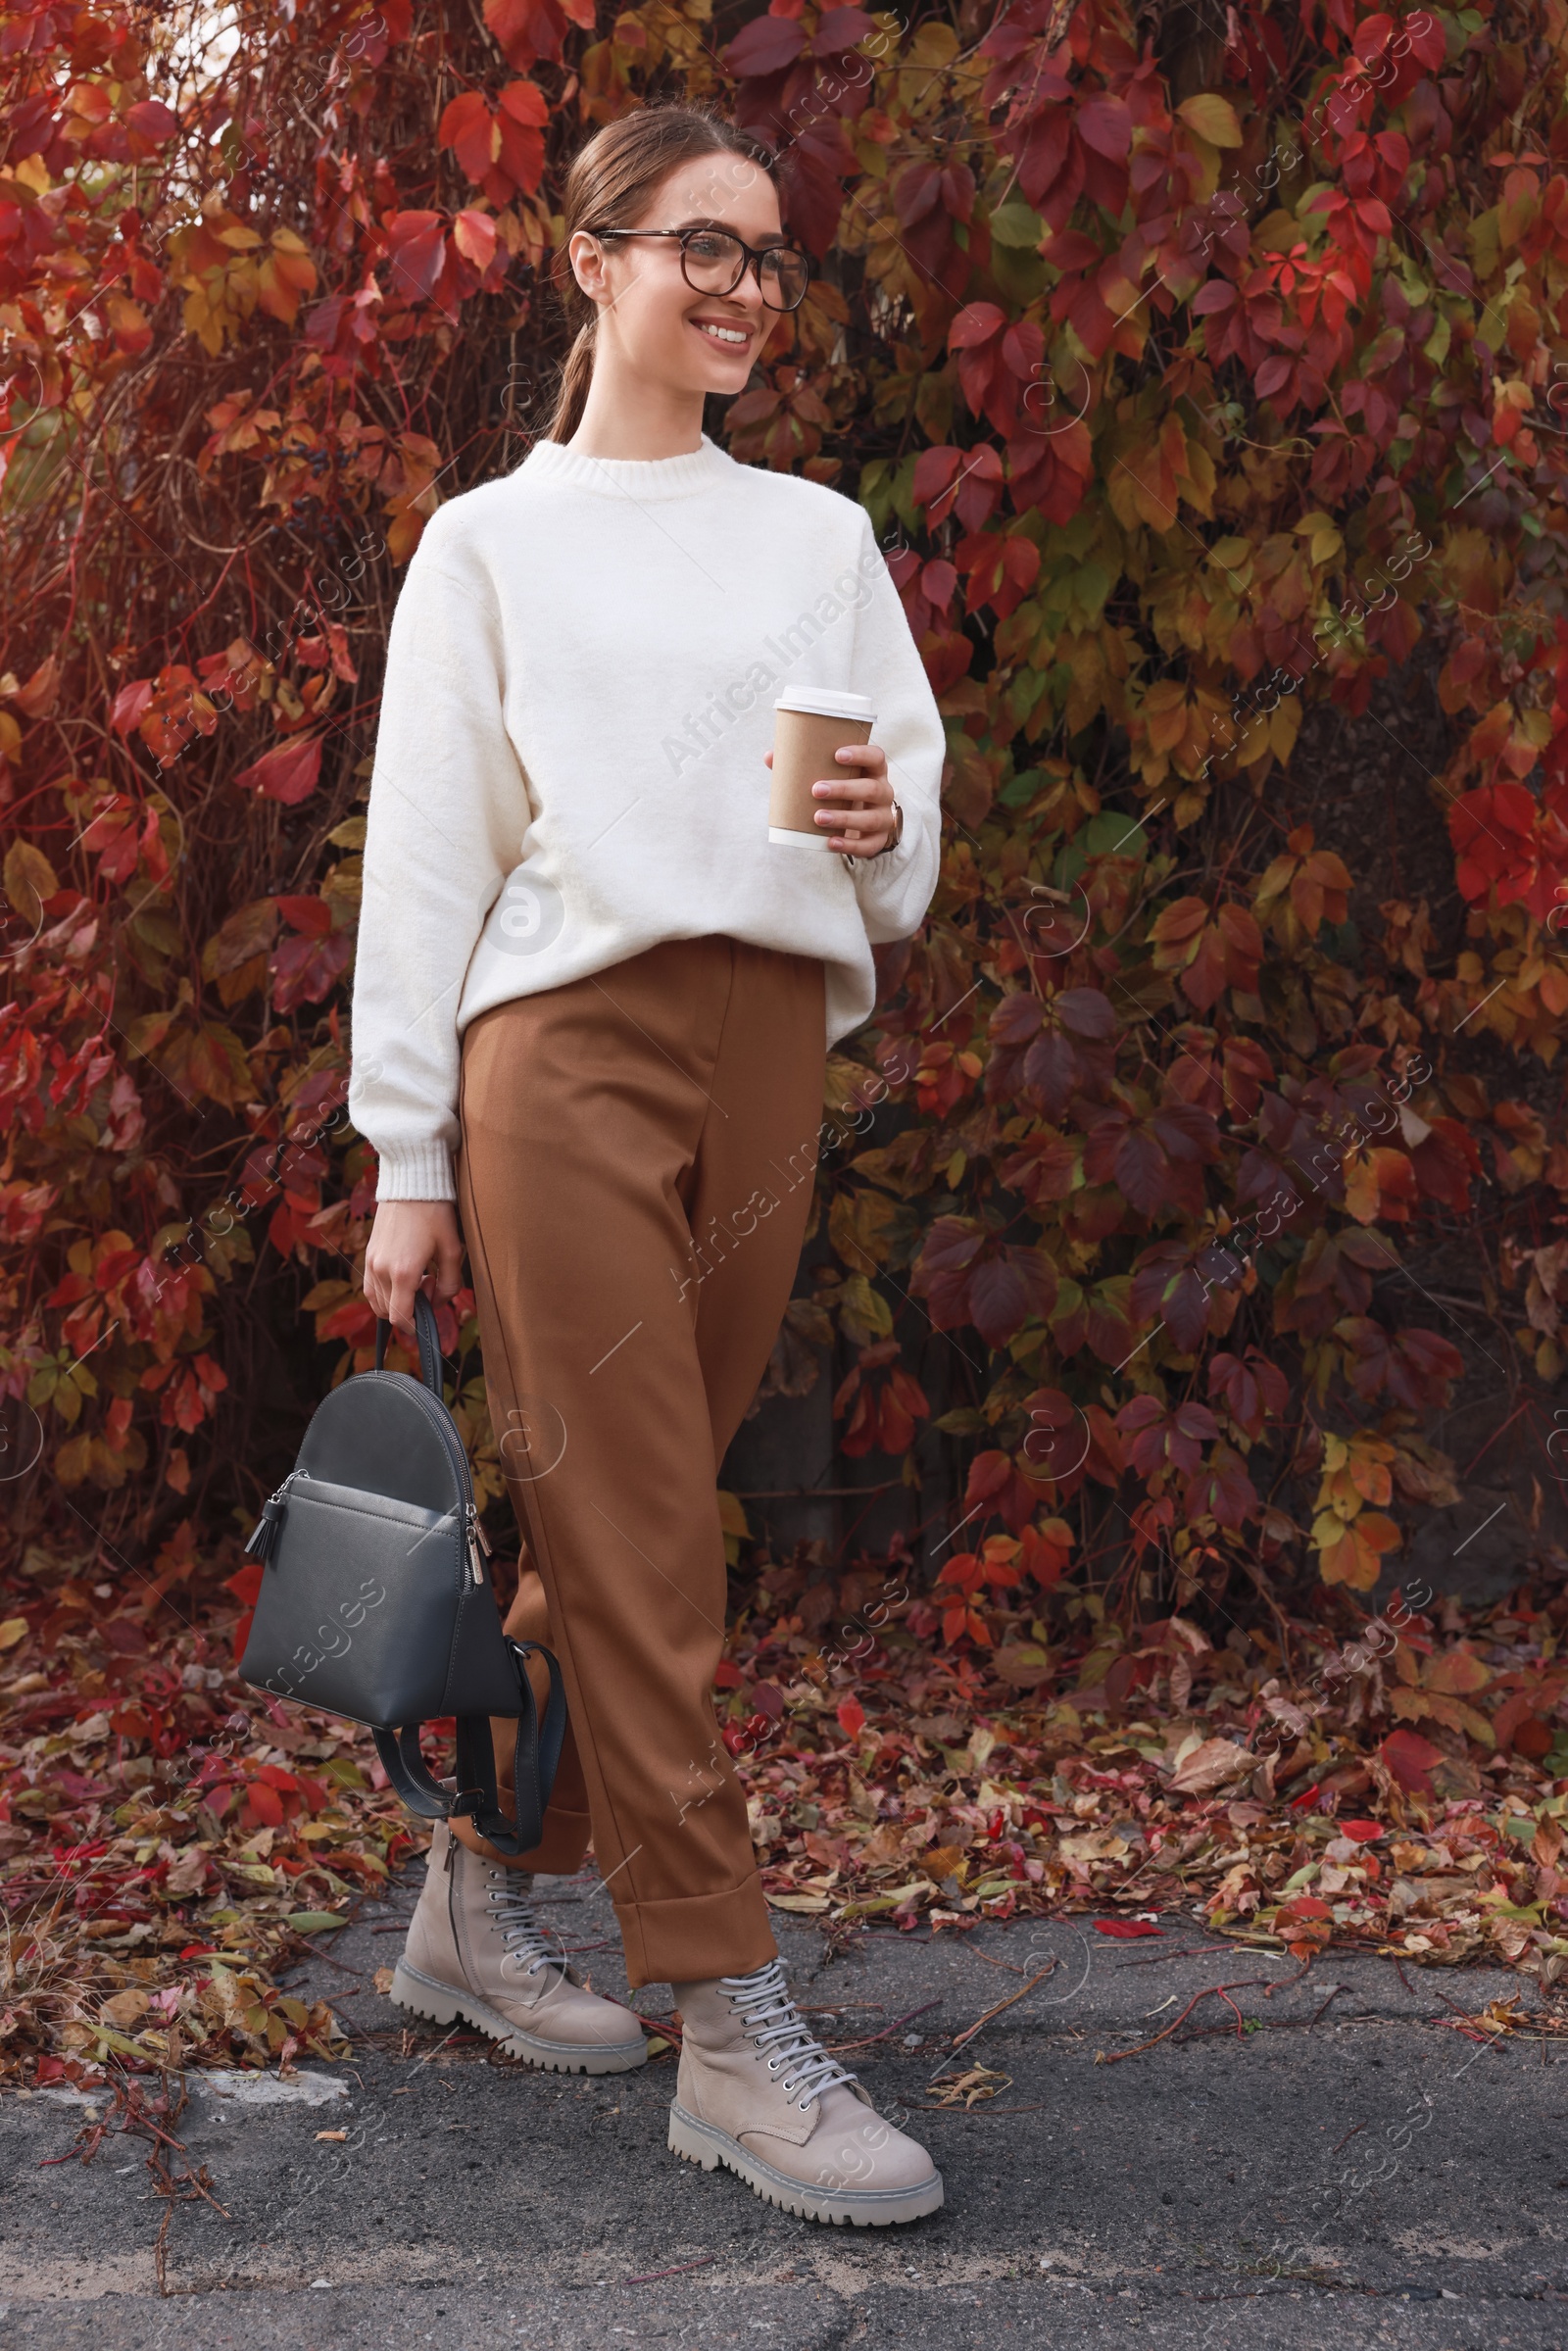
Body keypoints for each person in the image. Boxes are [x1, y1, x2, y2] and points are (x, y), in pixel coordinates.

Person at [349, 99, 946, 2227]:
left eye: (768, 258)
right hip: (560, 1054)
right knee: (644, 1541)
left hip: (768, 1039)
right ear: (586, 257)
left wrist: (894, 836)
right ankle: (724, 2014)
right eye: (699, 241)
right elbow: (427, 865)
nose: (738, 286)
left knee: (629, 1509)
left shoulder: (814, 539)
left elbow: (896, 779)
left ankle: (468, 1898)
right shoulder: (486, 549)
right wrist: (403, 1155)